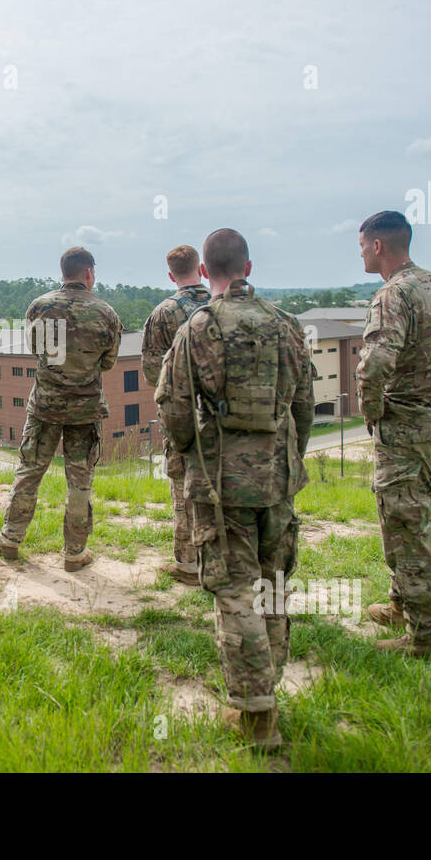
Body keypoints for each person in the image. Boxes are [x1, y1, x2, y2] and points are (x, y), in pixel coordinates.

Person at [156, 228, 313, 751]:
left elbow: (174, 404)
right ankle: (267, 690)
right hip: (278, 476)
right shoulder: (286, 324)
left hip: (222, 480)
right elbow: (306, 404)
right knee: (273, 585)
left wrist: (184, 450)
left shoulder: (198, 326)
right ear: (250, 266)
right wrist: (292, 454)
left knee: (234, 591)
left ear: (206, 272)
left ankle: (256, 716)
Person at [356, 211, 431, 664]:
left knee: (408, 533)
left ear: (377, 246)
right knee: (416, 522)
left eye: (362, 245)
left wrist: (372, 411)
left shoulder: (394, 294)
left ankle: (426, 639)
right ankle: (400, 603)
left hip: (406, 428)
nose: (361, 253)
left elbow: (374, 364)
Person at [0, 246, 122, 571]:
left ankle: (10, 538)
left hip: (45, 406)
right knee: (80, 481)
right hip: (85, 410)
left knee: (29, 472)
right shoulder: (106, 313)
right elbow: (108, 362)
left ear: (63, 272)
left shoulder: (40, 306)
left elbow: (35, 349)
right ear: (89, 273)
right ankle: (75, 553)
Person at [141, 244, 213, 586]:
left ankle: (187, 564)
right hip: (223, 417)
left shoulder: (163, 313)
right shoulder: (222, 304)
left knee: (183, 489)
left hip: (182, 416)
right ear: (201, 268)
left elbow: (151, 372)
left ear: (171, 275)